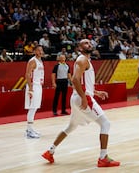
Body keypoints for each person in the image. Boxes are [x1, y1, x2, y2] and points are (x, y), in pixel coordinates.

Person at [42, 39, 120, 167]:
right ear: (80, 48)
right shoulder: (82, 59)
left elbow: (84, 83)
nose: (89, 44)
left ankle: (50, 151)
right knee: (105, 123)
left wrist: (95, 92)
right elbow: (74, 80)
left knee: (71, 126)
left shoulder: (85, 60)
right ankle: (103, 158)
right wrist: (85, 97)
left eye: (89, 43)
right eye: (85, 43)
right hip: (81, 98)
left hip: (78, 97)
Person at [24, 45, 44, 139]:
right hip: (34, 86)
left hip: (38, 86)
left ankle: (30, 129)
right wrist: (31, 88)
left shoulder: (40, 61)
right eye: (38, 50)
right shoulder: (33, 61)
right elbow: (27, 74)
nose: (40, 52)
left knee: (35, 107)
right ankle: (29, 131)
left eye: (41, 50)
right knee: (32, 108)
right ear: (35, 51)